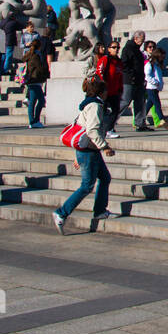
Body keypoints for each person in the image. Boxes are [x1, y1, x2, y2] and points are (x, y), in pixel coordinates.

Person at [52, 76, 116, 233]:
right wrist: (105, 146)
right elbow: (91, 130)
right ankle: (61, 213)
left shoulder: (88, 104)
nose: (108, 92)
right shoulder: (94, 106)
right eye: (106, 90)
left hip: (87, 150)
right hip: (89, 151)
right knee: (87, 186)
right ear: (101, 92)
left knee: (105, 178)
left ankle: (100, 210)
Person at [119, 30, 150, 132]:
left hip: (139, 80)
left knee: (139, 102)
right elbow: (124, 64)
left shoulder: (137, 50)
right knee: (125, 101)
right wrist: (132, 74)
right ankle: (110, 119)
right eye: (142, 40)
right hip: (130, 80)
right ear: (135, 38)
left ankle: (140, 123)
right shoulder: (128, 49)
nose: (142, 42)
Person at [95, 41, 125, 137]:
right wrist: (103, 85)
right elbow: (99, 72)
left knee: (115, 110)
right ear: (109, 49)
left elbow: (120, 76)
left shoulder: (119, 62)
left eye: (117, 47)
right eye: (114, 47)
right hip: (105, 91)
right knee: (102, 111)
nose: (116, 49)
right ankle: (100, 129)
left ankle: (109, 129)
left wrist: (120, 89)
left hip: (114, 91)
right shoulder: (105, 59)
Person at [23, 34, 50, 127]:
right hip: (35, 80)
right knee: (41, 101)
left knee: (32, 102)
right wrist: (46, 74)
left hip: (31, 80)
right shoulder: (35, 56)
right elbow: (39, 68)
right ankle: (34, 121)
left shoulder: (29, 55)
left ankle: (33, 121)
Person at [144, 41, 168, 129]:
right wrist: (155, 82)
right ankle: (162, 119)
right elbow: (147, 76)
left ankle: (141, 119)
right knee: (157, 104)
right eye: (162, 56)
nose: (163, 58)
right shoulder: (150, 64)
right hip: (151, 87)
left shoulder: (157, 64)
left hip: (155, 88)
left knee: (149, 104)